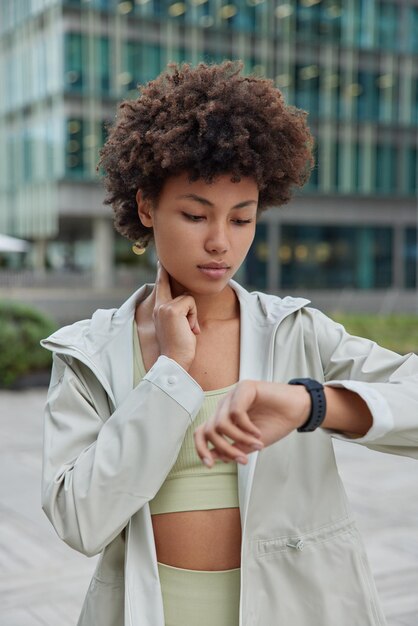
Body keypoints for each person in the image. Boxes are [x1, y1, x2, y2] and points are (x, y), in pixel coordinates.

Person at [41, 61, 418, 626]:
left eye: (242, 219)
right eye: (195, 215)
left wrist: (309, 403)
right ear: (146, 206)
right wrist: (171, 372)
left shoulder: (297, 331)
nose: (220, 242)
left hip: (297, 607)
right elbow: (80, 521)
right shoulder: (88, 353)